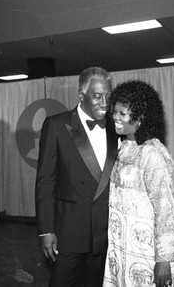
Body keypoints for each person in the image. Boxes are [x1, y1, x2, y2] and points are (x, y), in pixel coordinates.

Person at [35, 66, 119, 286]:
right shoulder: (55, 125)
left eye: (108, 97)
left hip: (104, 234)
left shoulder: (115, 127)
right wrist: (46, 230)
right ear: (82, 95)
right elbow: (46, 182)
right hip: (69, 234)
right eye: (98, 96)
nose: (104, 103)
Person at [103, 80, 174, 287]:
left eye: (122, 113)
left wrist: (164, 260)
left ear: (141, 118)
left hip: (149, 254)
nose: (115, 117)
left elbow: (166, 209)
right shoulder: (126, 146)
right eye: (114, 112)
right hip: (124, 249)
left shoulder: (153, 153)